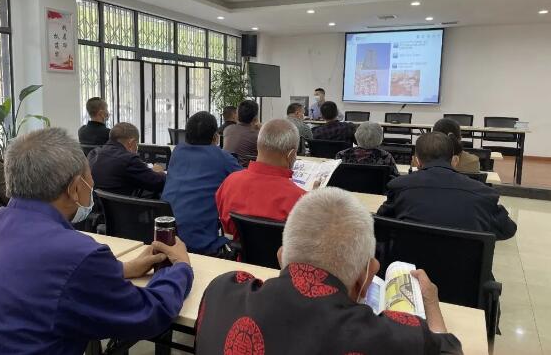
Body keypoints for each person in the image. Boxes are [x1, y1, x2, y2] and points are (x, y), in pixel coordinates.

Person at [0, 128, 194, 354]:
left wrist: (123, 269)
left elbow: (39, 280)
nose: (93, 184)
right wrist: (180, 267)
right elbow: (149, 314)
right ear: (74, 188)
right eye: (90, 177)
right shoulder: (77, 254)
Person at [196, 188, 463, 355]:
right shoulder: (392, 339)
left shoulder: (221, 292)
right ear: (367, 276)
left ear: (281, 257)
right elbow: (450, 349)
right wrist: (431, 304)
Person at [378, 132, 517, 240]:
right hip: (464, 267)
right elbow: (508, 229)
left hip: (410, 265)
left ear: (417, 161)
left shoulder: (400, 187)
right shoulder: (483, 193)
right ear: (454, 161)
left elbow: (381, 222)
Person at [162, 111, 242, 257]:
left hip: (166, 239)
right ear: (215, 137)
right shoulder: (222, 158)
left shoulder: (177, 152)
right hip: (202, 246)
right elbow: (247, 181)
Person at [217, 119, 306, 240]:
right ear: (290, 155)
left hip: (235, 251)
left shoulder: (229, 183)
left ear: (258, 146)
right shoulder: (300, 200)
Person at [88, 122, 166, 196]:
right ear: (131, 143)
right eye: (137, 144)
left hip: (99, 204)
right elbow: (158, 183)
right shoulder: (129, 160)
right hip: (127, 205)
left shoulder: (94, 153)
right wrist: (159, 172)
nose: (137, 148)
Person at [223, 100, 260, 166]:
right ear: (255, 117)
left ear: (237, 115)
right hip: (245, 170)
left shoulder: (228, 130)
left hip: (227, 170)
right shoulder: (257, 135)